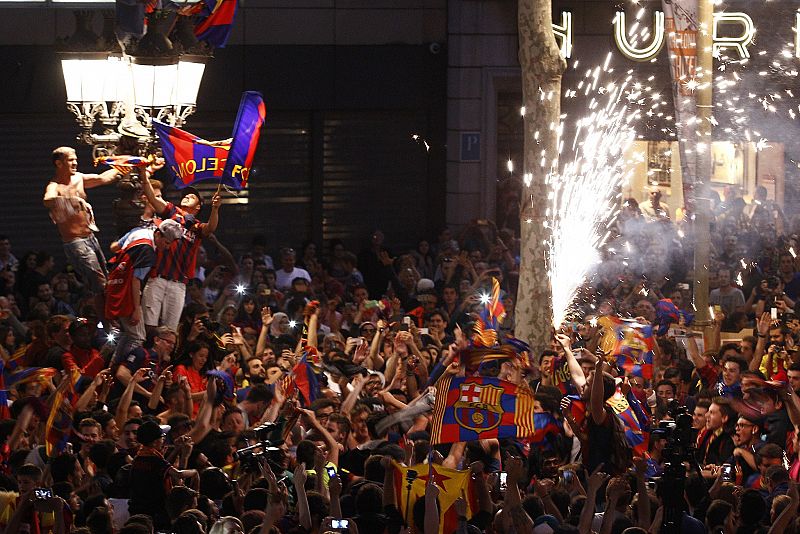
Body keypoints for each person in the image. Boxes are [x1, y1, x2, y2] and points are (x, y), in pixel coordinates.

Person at [43, 146, 120, 319]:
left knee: (105, 281)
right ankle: (109, 322)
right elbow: (47, 200)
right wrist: (71, 199)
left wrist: (124, 165)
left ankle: (109, 318)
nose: (75, 162)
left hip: (90, 237)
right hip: (75, 242)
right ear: (59, 163)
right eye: (71, 159)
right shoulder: (54, 186)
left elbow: (102, 178)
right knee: (99, 282)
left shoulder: (78, 178)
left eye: (75, 158)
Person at [139, 176, 223, 331]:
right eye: (185, 195)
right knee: (149, 326)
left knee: (170, 330)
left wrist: (215, 208)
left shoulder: (196, 227)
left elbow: (210, 228)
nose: (186, 197)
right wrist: (144, 175)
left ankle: (166, 355)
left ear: (198, 207)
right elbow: (152, 198)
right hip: (157, 277)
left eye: (192, 197)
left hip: (178, 283)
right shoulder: (171, 211)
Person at [106, 219, 183, 360]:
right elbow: (135, 280)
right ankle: (122, 370)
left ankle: (113, 368)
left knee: (128, 335)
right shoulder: (148, 252)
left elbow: (114, 248)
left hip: (114, 283)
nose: (167, 247)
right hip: (126, 292)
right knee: (138, 337)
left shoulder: (138, 231)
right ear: (158, 234)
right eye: (166, 243)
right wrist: (136, 308)